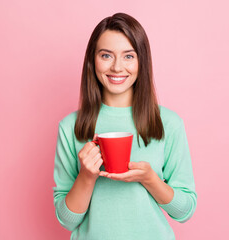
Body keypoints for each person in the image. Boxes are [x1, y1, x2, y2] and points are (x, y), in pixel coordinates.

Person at [53, 12, 197, 240]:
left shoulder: (168, 124)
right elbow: (67, 220)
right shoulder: (71, 127)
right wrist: (86, 176)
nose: (117, 67)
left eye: (129, 56)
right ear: (93, 60)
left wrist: (149, 179)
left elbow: (185, 210)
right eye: (106, 55)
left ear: (142, 61)